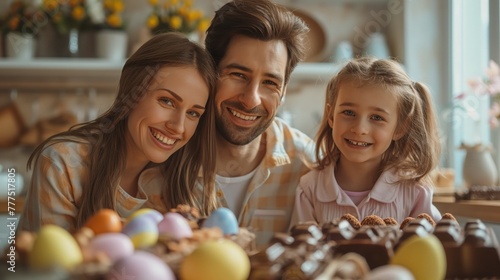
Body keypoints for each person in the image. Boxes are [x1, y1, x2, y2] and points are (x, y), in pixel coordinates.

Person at [20, 32, 219, 232]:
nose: (178, 126)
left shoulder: (189, 181)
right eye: (167, 101)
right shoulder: (63, 166)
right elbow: (53, 261)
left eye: (193, 113)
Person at [203, 0, 316, 247]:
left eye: (270, 83)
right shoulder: (168, 155)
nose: (251, 99)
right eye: (238, 75)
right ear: (209, 72)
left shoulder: (311, 166)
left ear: (284, 91)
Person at [292, 57, 442, 226]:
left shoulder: (415, 193)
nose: (359, 129)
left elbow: (432, 249)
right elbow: (300, 247)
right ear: (331, 115)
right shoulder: (309, 189)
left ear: (400, 128)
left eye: (377, 117)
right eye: (349, 113)